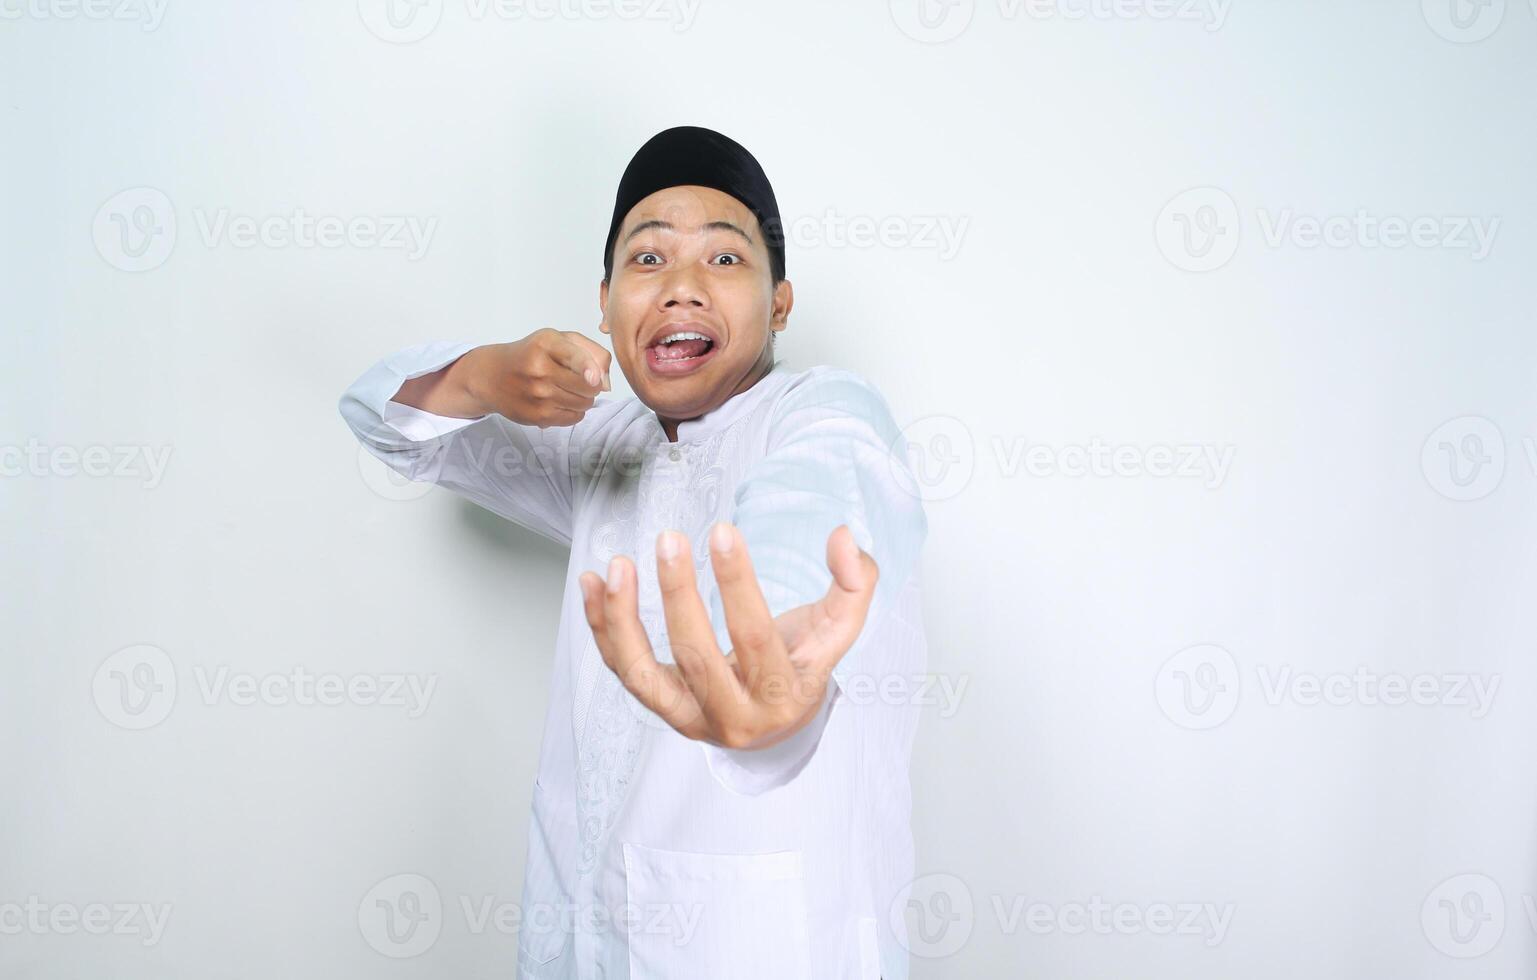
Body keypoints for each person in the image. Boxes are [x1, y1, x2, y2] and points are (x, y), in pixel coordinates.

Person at [338, 125, 928, 980]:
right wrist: (480, 378)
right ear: (605, 300)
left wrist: (771, 653)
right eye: (647, 259)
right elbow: (378, 420)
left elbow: (821, 498)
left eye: (724, 261)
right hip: (582, 940)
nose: (682, 288)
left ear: (781, 303)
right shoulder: (604, 444)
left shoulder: (825, 410)